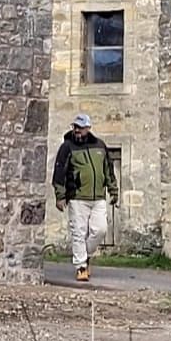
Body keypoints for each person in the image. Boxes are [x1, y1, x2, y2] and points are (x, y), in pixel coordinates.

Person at [51, 113, 119, 283]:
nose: (77, 130)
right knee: (78, 233)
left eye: (80, 128)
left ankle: (84, 255)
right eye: (75, 127)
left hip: (98, 198)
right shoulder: (67, 147)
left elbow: (108, 170)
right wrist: (60, 196)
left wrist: (113, 190)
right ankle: (81, 266)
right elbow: (59, 172)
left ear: (88, 128)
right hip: (77, 197)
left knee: (100, 230)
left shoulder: (100, 146)